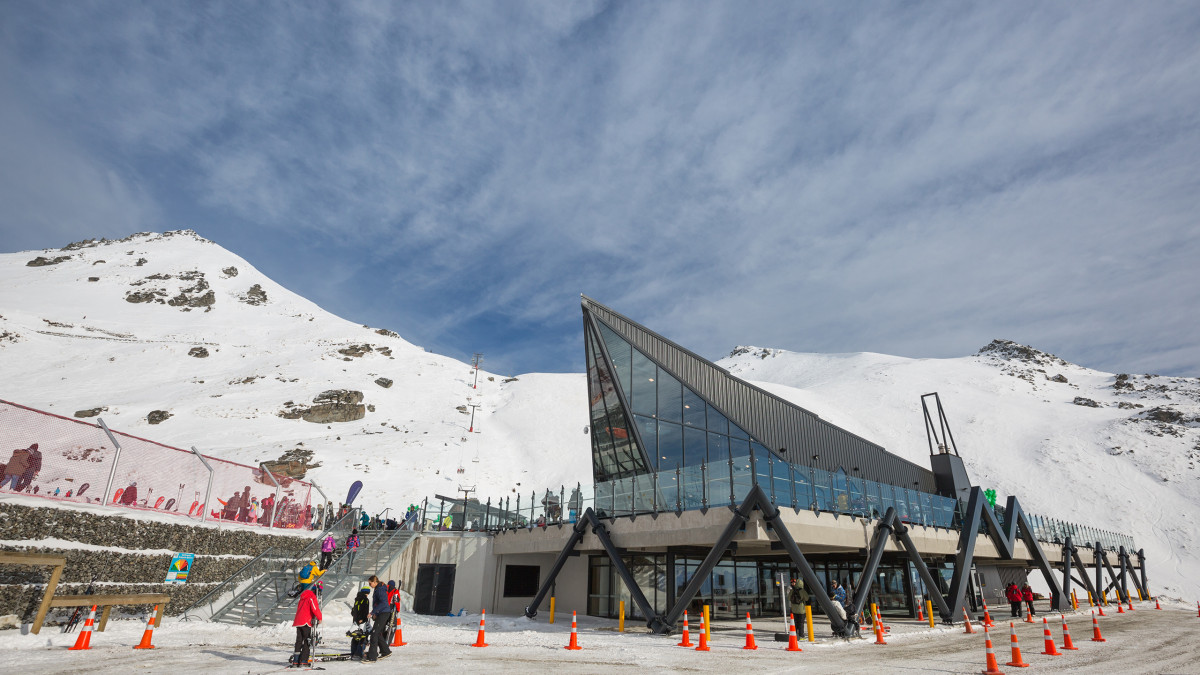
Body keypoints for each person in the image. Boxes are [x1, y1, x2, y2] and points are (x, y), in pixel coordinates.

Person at [290, 581, 322, 667]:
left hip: (298, 621)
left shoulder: (302, 597)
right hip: (306, 622)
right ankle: (303, 660)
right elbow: (315, 608)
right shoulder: (311, 597)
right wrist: (320, 618)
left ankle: (296, 661)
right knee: (307, 640)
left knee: (299, 641)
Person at [363, 575, 393, 662]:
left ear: (375, 582)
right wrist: (375, 613)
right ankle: (385, 651)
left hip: (384, 613)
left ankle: (372, 657)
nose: (369, 585)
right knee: (378, 633)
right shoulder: (378, 588)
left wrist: (373, 612)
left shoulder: (380, 589)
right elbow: (379, 603)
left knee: (374, 634)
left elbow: (383, 603)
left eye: (370, 583)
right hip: (381, 613)